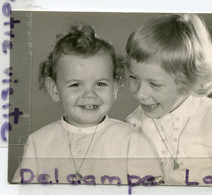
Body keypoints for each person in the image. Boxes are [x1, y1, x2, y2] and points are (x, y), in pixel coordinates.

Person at [12, 23, 163, 185]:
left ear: (115, 88)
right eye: (76, 85)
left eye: (100, 84)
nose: (90, 94)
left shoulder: (131, 141)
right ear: (54, 89)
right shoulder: (38, 142)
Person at [125, 14, 212, 186]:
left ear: (187, 80)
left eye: (154, 84)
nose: (140, 94)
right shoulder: (133, 126)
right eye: (134, 78)